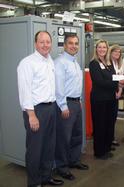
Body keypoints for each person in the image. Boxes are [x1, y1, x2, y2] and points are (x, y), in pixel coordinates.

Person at [17, 31, 64, 187]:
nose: (45, 45)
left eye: (48, 42)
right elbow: (25, 90)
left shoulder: (49, 60)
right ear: (35, 44)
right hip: (36, 111)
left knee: (49, 146)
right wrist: (31, 115)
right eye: (42, 42)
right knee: (35, 150)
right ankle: (34, 182)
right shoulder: (27, 63)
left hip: (51, 109)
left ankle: (46, 177)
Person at [54, 34, 89, 181]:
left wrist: (79, 100)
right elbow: (58, 87)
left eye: (76, 43)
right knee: (64, 138)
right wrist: (63, 106)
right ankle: (62, 167)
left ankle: (74, 160)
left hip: (76, 103)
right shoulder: (60, 62)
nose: (74, 46)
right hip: (65, 104)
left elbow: (75, 85)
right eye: (70, 43)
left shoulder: (74, 62)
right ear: (64, 45)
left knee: (76, 134)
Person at [89, 39, 118, 159]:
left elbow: (114, 76)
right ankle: (99, 151)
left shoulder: (109, 62)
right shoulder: (94, 63)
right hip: (99, 99)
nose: (102, 49)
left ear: (107, 49)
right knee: (100, 125)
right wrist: (115, 84)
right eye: (99, 47)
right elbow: (99, 81)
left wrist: (117, 81)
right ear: (96, 49)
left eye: (104, 47)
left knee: (109, 123)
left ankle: (106, 147)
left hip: (111, 98)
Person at [106, 44, 123, 148]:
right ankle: (108, 139)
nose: (117, 53)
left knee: (113, 117)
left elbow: (120, 79)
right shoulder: (107, 64)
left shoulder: (119, 64)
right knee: (108, 117)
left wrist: (120, 91)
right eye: (115, 51)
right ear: (110, 52)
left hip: (116, 92)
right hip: (109, 93)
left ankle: (111, 138)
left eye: (119, 52)